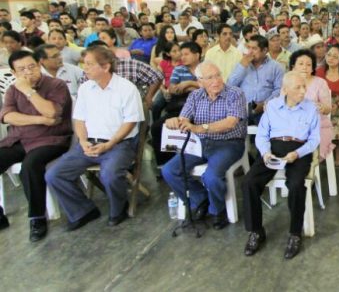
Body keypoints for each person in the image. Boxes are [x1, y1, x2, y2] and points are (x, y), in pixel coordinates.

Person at [45, 46, 144, 230]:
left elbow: (130, 122)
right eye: (85, 64)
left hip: (119, 144)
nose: (85, 68)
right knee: (54, 174)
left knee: (110, 174)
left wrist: (109, 144)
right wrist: (82, 141)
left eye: (90, 64)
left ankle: (118, 209)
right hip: (89, 143)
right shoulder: (85, 88)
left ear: (106, 67)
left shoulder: (126, 89)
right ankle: (83, 210)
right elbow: (79, 119)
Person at [242, 72, 321, 259]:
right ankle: (256, 231)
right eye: (298, 87)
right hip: (273, 147)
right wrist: (266, 153)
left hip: (299, 149)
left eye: (304, 86)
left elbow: (314, 139)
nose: (303, 91)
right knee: (249, 182)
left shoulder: (310, 108)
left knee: (295, 185)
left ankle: (295, 234)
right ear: (285, 90)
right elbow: (262, 135)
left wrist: (297, 153)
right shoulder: (272, 107)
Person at [162, 61, 248, 230]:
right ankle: (200, 199)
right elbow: (184, 118)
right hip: (199, 143)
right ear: (200, 82)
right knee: (169, 170)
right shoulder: (195, 96)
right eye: (210, 78)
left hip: (228, 143)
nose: (216, 81)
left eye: (218, 75)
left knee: (211, 176)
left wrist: (199, 128)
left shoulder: (235, 93)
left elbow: (230, 123)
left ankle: (218, 210)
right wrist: (175, 121)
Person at [0, 50, 72, 241]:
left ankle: (37, 218)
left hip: (50, 139)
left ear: (39, 65)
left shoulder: (56, 85)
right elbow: (8, 117)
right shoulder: (13, 89)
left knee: (30, 167)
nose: (28, 72)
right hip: (19, 139)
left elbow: (51, 113)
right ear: (14, 73)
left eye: (31, 66)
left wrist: (29, 91)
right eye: (21, 69)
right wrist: (39, 119)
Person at [151, 42, 201, 166]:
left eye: (186, 54)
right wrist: (194, 87)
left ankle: (192, 158)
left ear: (197, 55)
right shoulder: (178, 69)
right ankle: (165, 163)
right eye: (181, 54)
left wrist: (187, 83)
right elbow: (173, 89)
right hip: (179, 107)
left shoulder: (205, 68)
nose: (182, 57)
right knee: (157, 127)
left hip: (201, 109)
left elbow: (208, 87)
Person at [226, 35, 283, 125]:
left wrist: (265, 104)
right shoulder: (242, 65)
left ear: (264, 50)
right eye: (249, 48)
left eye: (254, 48)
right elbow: (230, 86)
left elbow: (279, 90)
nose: (250, 52)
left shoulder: (276, 67)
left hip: (267, 110)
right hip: (242, 110)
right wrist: (242, 66)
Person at [289, 49, 334, 160]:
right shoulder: (287, 82)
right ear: (293, 67)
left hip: (317, 127)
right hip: (292, 127)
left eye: (309, 64)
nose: (305, 67)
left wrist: (323, 108)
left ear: (313, 68)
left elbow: (328, 109)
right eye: (300, 64)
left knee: (304, 154)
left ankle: (303, 172)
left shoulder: (320, 83)